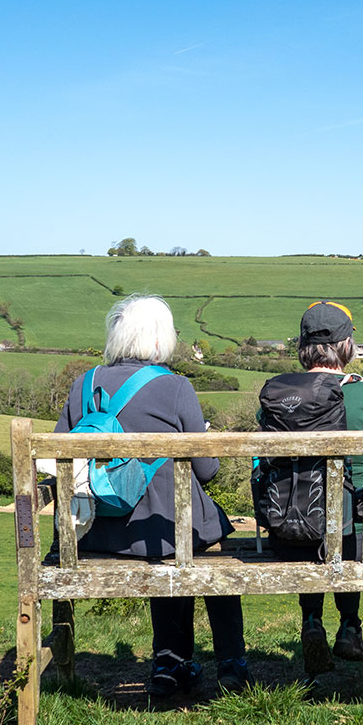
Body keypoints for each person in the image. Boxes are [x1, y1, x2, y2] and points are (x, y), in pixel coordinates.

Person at [55, 294, 251, 696]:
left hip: (95, 533)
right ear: (161, 340)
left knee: (175, 541)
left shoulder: (82, 384)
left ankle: (169, 662)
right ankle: (230, 662)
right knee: (201, 541)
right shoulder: (175, 387)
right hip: (159, 535)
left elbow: (58, 457)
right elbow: (208, 470)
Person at [260, 301, 363, 679]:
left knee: (315, 520)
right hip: (352, 536)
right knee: (347, 522)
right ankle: (350, 628)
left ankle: (311, 622)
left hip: (289, 529)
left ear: (303, 347)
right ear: (347, 346)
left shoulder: (276, 396)